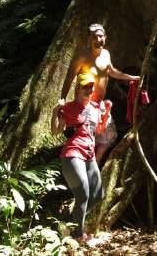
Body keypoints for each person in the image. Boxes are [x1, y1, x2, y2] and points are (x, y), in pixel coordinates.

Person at [60, 23, 139, 162]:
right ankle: (78, 165)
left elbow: (111, 71)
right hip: (85, 106)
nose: (98, 39)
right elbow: (69, 78)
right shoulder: (82, 57)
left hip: (99, 104)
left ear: (105, 37)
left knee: (109, 135)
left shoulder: (106, 55)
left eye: (100, 36)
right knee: (85, 138)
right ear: (89, 39)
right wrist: (62, 99)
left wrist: (130, 77)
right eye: (94, 37)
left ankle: (95, 163)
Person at [51, 72, 110, 241]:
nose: (89, 89)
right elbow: (55, 132)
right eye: (85, 86)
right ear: (77, 88)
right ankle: (79, 235)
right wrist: (55, 112)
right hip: (72, 154)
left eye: (91, 86)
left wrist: (106, 113)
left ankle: (71, 223)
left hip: (89, 155)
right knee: (83, 194)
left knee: (98, 195)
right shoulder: (68, 108)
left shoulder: (95, 107)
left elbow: (99, 130)